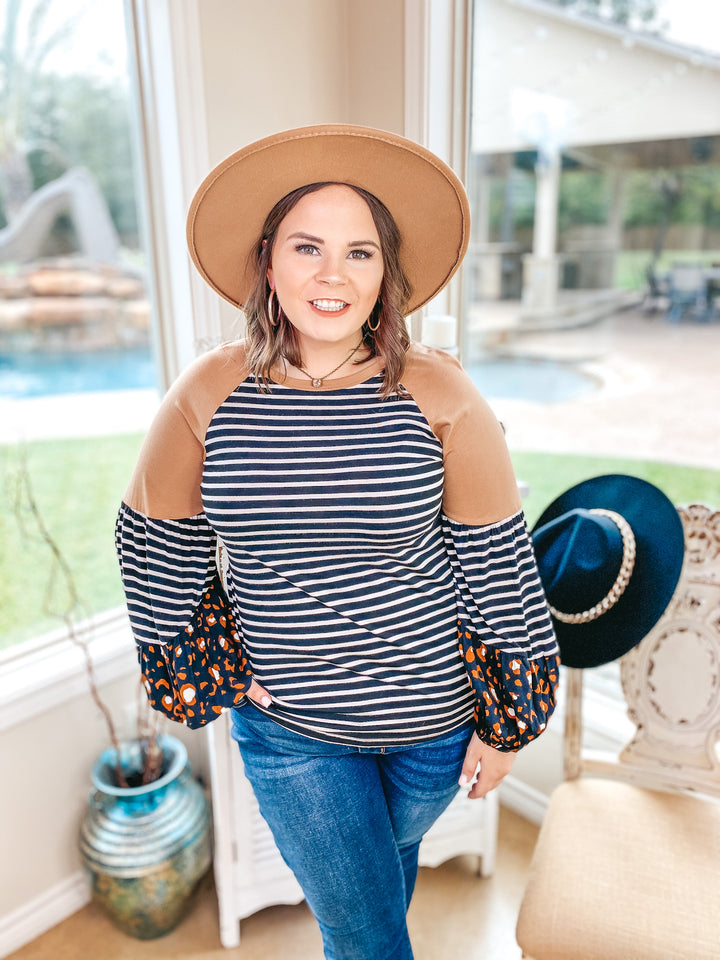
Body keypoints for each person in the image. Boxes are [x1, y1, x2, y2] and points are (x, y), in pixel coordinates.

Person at [116, 124, 560, 960]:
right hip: (294, 732)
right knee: (363, 931)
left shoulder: (438, 389)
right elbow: (153, 539)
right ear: (267, 262)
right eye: (307, 246)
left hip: (434, 724)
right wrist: (218, 669)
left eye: (359, 253)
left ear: (384, 273)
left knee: (376, 888)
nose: (332, 274)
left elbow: (496, 558)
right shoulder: (208, 392)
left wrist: (506, 723)